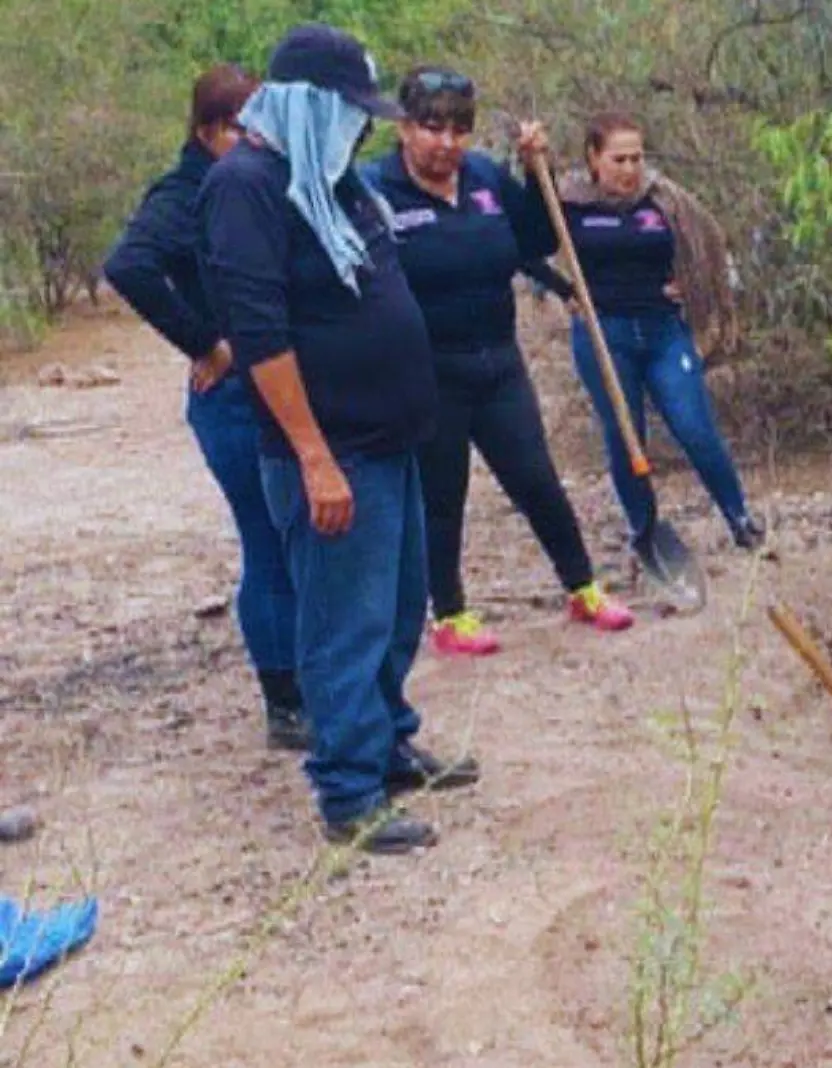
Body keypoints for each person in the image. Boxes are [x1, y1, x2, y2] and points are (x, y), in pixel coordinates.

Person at [197, 22, 478, 855]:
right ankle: (349, 791)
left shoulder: (332, 181)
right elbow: (260, 334)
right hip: (334, 451)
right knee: (344, 622)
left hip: (392, 437)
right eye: (350, 108)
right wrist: (315, 458)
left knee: (397, 608)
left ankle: (386, 742)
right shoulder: (246, 185)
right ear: (305, 104)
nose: (362, 124)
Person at [359, 65, 634, 657]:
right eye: (432, 128)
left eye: (459, 129)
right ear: (404, 128)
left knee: (536, 479)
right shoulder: (372, 189)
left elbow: (536, 239)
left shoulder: (483, 177)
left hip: (497, 363)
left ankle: (583, 586)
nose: (446, 142)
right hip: (426, 372)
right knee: (442, 494)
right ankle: (450, 614)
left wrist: (537, 177)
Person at [103, 63, 309, 753]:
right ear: (207, 131)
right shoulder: (186, 191)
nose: (259, 139)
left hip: (277, 385)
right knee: (269, 541)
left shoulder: (255, 183)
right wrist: (204, 342)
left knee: (297, 534)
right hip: (231, 398)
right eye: (242, 127)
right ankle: (285, 703)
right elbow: (129, 265)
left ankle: (309, 679)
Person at [538, 112, 765, 557]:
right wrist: (563, 290)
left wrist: (693, 281)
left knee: (694, 427)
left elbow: (712, 247)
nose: (629, 169)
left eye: (636, 158)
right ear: (593, 158)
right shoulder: (566, 202)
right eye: (618, 159)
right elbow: (522, 249)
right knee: (625, 436)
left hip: (663, 331)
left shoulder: (663, 199)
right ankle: (645, 533)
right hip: (604, 335)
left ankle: (739, 517)